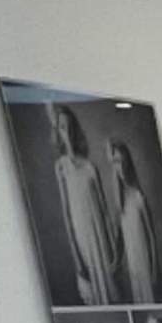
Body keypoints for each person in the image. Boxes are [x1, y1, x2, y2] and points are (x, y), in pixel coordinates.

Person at [48, 105, 116, 305]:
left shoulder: (89, 167)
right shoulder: (61, 167)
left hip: (100, 238)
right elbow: (67, 216)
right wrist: (77, 261)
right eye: (62, 127)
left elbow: (104, 212)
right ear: (58, 132)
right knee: (92, 293)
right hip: (82, 240)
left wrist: (112, 248)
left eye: (69, 126)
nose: (66, 131)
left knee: (110, 290)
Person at [111, 133, 162, 305]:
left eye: (122, 161)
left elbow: (151, 237)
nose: (120, 166)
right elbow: (120, 239)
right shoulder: (119, 202)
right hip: (132, 265)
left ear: (128, 163)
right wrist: (115, 262)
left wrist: (154, 269)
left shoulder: (138, 196)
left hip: (145, 261)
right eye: (116, 161)